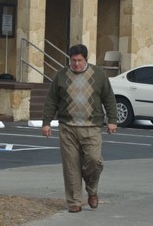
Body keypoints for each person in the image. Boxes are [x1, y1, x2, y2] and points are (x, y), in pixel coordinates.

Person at [41, 44, 118, 213]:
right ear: (70, 59)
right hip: (68, 127)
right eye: (73, 60)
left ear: (86, 59)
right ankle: (74, 201)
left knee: (94, 161)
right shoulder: (61, 76)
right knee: (71, 166)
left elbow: (109, 98)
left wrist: (112, 120)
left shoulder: (98, 74)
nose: (76, 64)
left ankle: (92, 190)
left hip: (92, 127)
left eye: (80, 60)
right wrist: (46, 122)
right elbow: (51, 101)